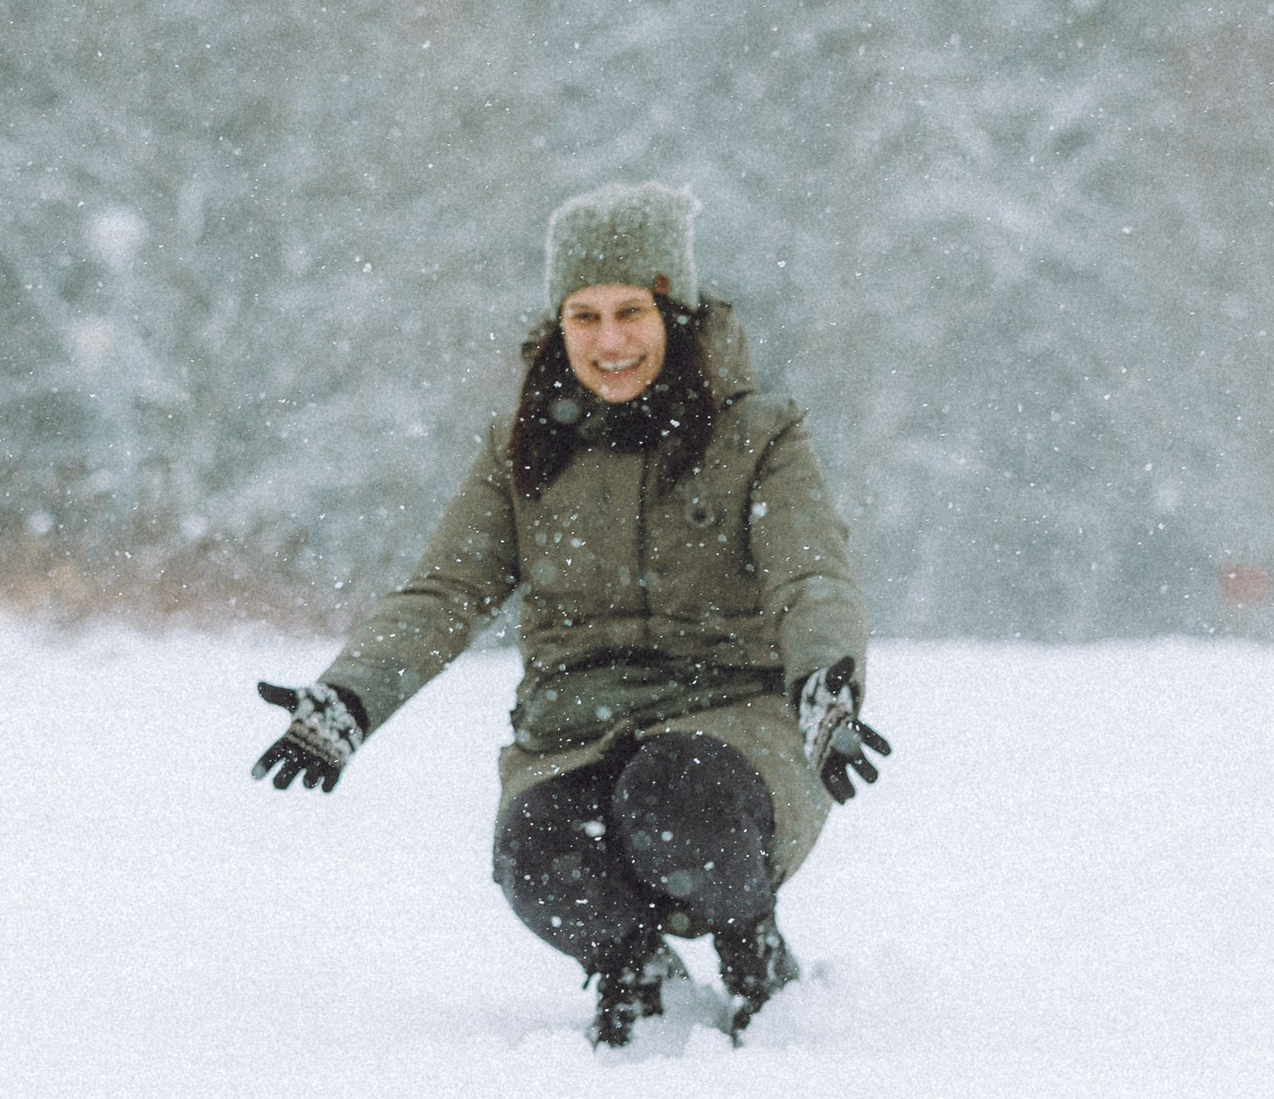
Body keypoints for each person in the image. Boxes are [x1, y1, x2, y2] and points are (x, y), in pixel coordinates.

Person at [251, 182, 889, 1047]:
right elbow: (445, 590)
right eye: (583, 316)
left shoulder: (758, 435)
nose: (610, 341)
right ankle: (632, 969)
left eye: (632, 310)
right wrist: (349, 699)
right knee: (538, 850)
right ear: (558, 324)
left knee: (676, 796)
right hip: (574, 732)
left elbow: (810, 575)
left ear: (679, 314)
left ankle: (752, 955)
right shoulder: (524, 447)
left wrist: (825, 683)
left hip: (736, 726)